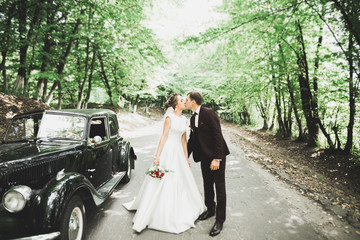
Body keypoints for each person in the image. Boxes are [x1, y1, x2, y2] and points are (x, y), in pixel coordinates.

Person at [123, 93, 206, 234]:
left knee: (180, 179)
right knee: (163, 179)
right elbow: (164, 137)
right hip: (168, 150)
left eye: (184, 100)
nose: (184, 102)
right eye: (181, 100)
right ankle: (157, 211)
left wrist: (186, 158)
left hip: (179, 153)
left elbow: (184, 140)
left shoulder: (185, 119)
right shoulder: (169, 118)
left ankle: (180, 208)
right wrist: (157, 156)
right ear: (175, 104)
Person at [185, 91, 230, 237]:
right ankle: (210, 209)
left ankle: (219, 220)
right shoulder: (192, 117)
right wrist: (184, 155)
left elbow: (218, 135)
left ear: (193, 101)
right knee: (207, 184)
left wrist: (217, 158)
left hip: (217, 156)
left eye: (187, 99)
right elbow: (193, 139)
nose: (185, 102)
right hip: (204, 157)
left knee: (219, 187)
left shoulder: (209, 113)